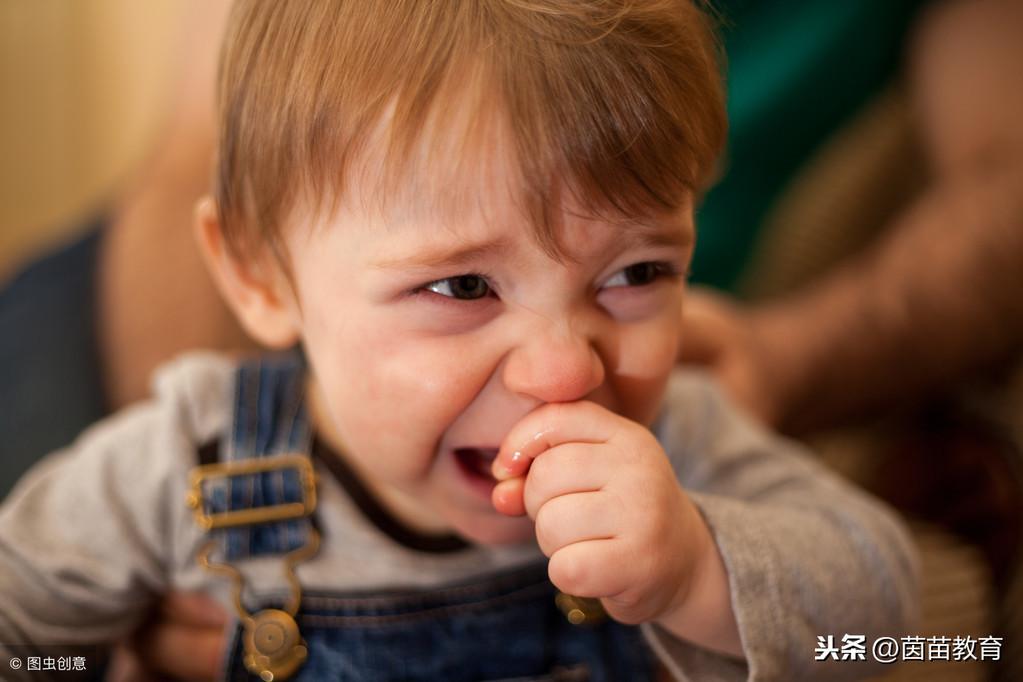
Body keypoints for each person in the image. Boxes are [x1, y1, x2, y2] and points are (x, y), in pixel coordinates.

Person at [0, 1, 917, 681]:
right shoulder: (183, 466)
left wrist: (697, 569)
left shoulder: (685, 444)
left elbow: (889, 627)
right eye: (462, 286)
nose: (566, 371)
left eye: (636, 275)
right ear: (259, 277)